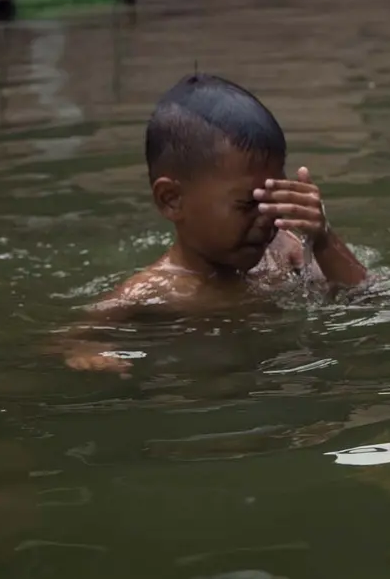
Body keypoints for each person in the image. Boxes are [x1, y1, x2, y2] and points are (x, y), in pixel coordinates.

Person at [64, 75, 368, 370]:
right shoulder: (153, 293)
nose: (267, 218)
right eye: (249, 203)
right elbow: (71, 340)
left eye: (273, 198)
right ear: (172, 200)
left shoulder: (284, 252)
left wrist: (324, 239)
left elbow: (367, 301)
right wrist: (88, 352)